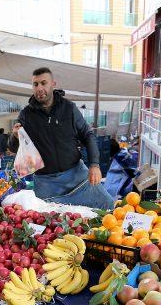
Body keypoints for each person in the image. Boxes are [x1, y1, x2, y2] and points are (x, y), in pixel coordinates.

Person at [8, 67, 115, 209]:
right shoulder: (26, 115)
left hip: (76, 175)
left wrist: (94, 165)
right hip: (46, 182)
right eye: (35, 84)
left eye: (43, 83)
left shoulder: (69, 108)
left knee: (106, 204)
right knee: (52, 223)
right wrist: (15, 137)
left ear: (53, 84)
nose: (39, 88)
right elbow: (13, 148)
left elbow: (87, 135)